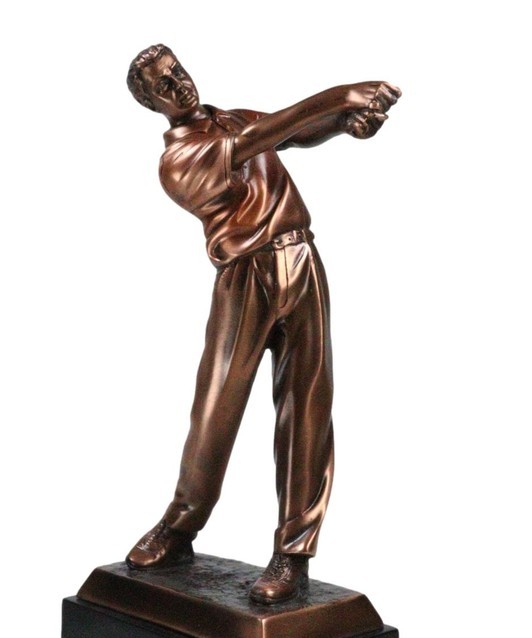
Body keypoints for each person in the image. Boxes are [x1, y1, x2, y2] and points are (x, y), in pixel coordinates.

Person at [125, 44, 400, 603]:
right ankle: (180, 524)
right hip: (245, 275)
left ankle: (292, 554)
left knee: (308, 404)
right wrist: (340, 95)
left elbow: (294, 133)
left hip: (301, 257)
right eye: (162, 85)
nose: (178, 83)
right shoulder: (178, 161)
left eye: (177, 70)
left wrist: (346, 123)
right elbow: (264, 136)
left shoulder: (233, 117)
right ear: (151, 103)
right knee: (216, 406)